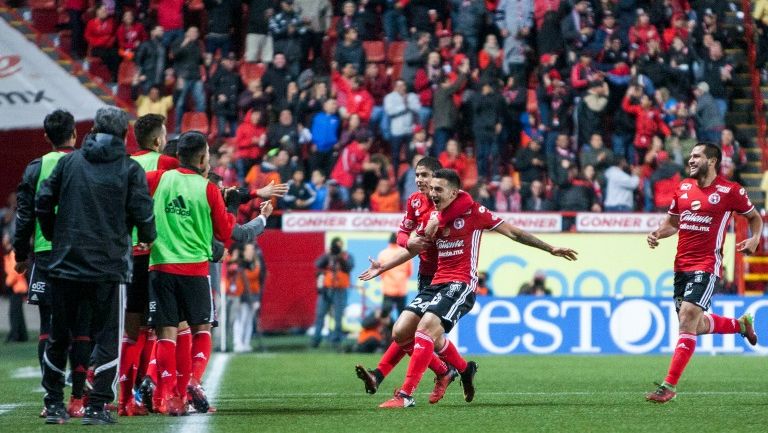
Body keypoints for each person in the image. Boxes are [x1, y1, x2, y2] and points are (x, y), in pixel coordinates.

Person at [371, 169, 577, 408]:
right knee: (400, 331)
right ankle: (456, 371)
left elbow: (514, 232)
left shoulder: (474, 212)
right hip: (436, 283)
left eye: (439, 189)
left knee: (426, 329)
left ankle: (405, 395)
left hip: (461, 284)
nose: (433, 193)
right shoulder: (431, 220)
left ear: (453, 192)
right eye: (432, 189)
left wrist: (550, 248)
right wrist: (383, 267)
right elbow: (413, 250)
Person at [35, 107, 157, 425]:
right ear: (124, 135)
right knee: (106, 337)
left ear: (92, 130)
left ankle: (54, 404)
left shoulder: (69, 162)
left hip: (66, 263)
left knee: (59, 335)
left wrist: (53, 233)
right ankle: (96, 405)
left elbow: (43, 202)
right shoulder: (129, 169)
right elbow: (144, 214)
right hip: (109, 266)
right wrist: (146, 236)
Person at [145, 131, 276, 415]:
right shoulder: (207, 190)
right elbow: (227, 232)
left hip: (160, 267)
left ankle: (169, 397)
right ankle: (192, 381)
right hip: (195, 269)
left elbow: (130, 194)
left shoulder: (156, 180)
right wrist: (232, 207)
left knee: (166, 333)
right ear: (204, 158)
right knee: (201, 329)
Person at [645, 143, 763, 403]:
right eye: (690, 156)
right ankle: (740, 325)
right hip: (681, 267)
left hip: (707, 265)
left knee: (687, 318)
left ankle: (669, 387)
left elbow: (755, 217)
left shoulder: (730, 191)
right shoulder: (684, 187)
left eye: (696, 156)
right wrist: (657, 233)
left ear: (712, 161)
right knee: (694, 325)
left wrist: (755, 239)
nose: (691, 159)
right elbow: (672, 224)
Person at [355, 158, 474, 405]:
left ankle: (396, 380)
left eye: (425, 175)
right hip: (427, 276)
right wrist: (408, 242)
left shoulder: (455, 201)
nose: (419, 180)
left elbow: (468, 202)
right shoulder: (415, 201)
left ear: (439, 179)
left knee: (415, 332)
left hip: (450, 277)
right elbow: (402, 234)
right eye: (417, 174)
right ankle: (453, 370)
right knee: (410, 332)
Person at [12, 110, 84, 416]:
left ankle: (51, 397)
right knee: (83, 326)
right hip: (83, 255)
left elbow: (24, 214)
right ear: (74, 134)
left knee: (48, 327)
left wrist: (19, 254)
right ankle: (79, 398)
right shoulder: (85, 164)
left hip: (46, 254)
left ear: (46, 137)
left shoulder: (36, 167)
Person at [117, 113, 180, 417]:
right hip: (156, 256)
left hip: (127, 254)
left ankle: (126, 399)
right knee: (165, 328)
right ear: (158, 140)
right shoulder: (165, 164)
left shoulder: (125, 164)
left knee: (133, 331)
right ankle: (160, 398)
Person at [311, 237, 354, 348]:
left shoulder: (347, 256)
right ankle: (316, 339)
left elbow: (348, 268)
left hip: (340, 289)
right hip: (326, 289)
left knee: (338, 316)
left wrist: (340, 258)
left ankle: (336, 340)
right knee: (320, 314)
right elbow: (317, 264)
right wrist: (328, 255)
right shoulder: (328, 256)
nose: (338, 248)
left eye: (339, 245)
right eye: (336, 245)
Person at [377, 233, 412, 320]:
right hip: (401, 290)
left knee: (385, 316)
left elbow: (380, 273)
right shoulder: (405, 253)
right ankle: (400, 333)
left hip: (388, 290)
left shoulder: (383, 254)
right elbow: (409, 273)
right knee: (401, 316)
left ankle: (386, 333)